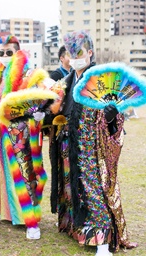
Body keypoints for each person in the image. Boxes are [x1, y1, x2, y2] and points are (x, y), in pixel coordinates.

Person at [48, 30, 137, 255]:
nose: (74, 56)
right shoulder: (66, 81)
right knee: (70, 189)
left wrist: (111, 115)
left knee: (93, 191)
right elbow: (56, 109)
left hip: (90, 148)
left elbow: (116, 120)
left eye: (79, 51)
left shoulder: (98, 79)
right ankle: (76, 229)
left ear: (90, 53)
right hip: (67, 144)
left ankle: (103, 243)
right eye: (71, 52)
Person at [0, 35, 50, 240]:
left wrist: (39, 113)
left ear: (18, 53)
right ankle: (4, 210)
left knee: (23, 171)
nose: (4, 56)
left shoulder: (28, 74)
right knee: (0, 170)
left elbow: (40, 98)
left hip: (19, 129)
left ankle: (30, 221)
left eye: (9, 52)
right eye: (1, 52)